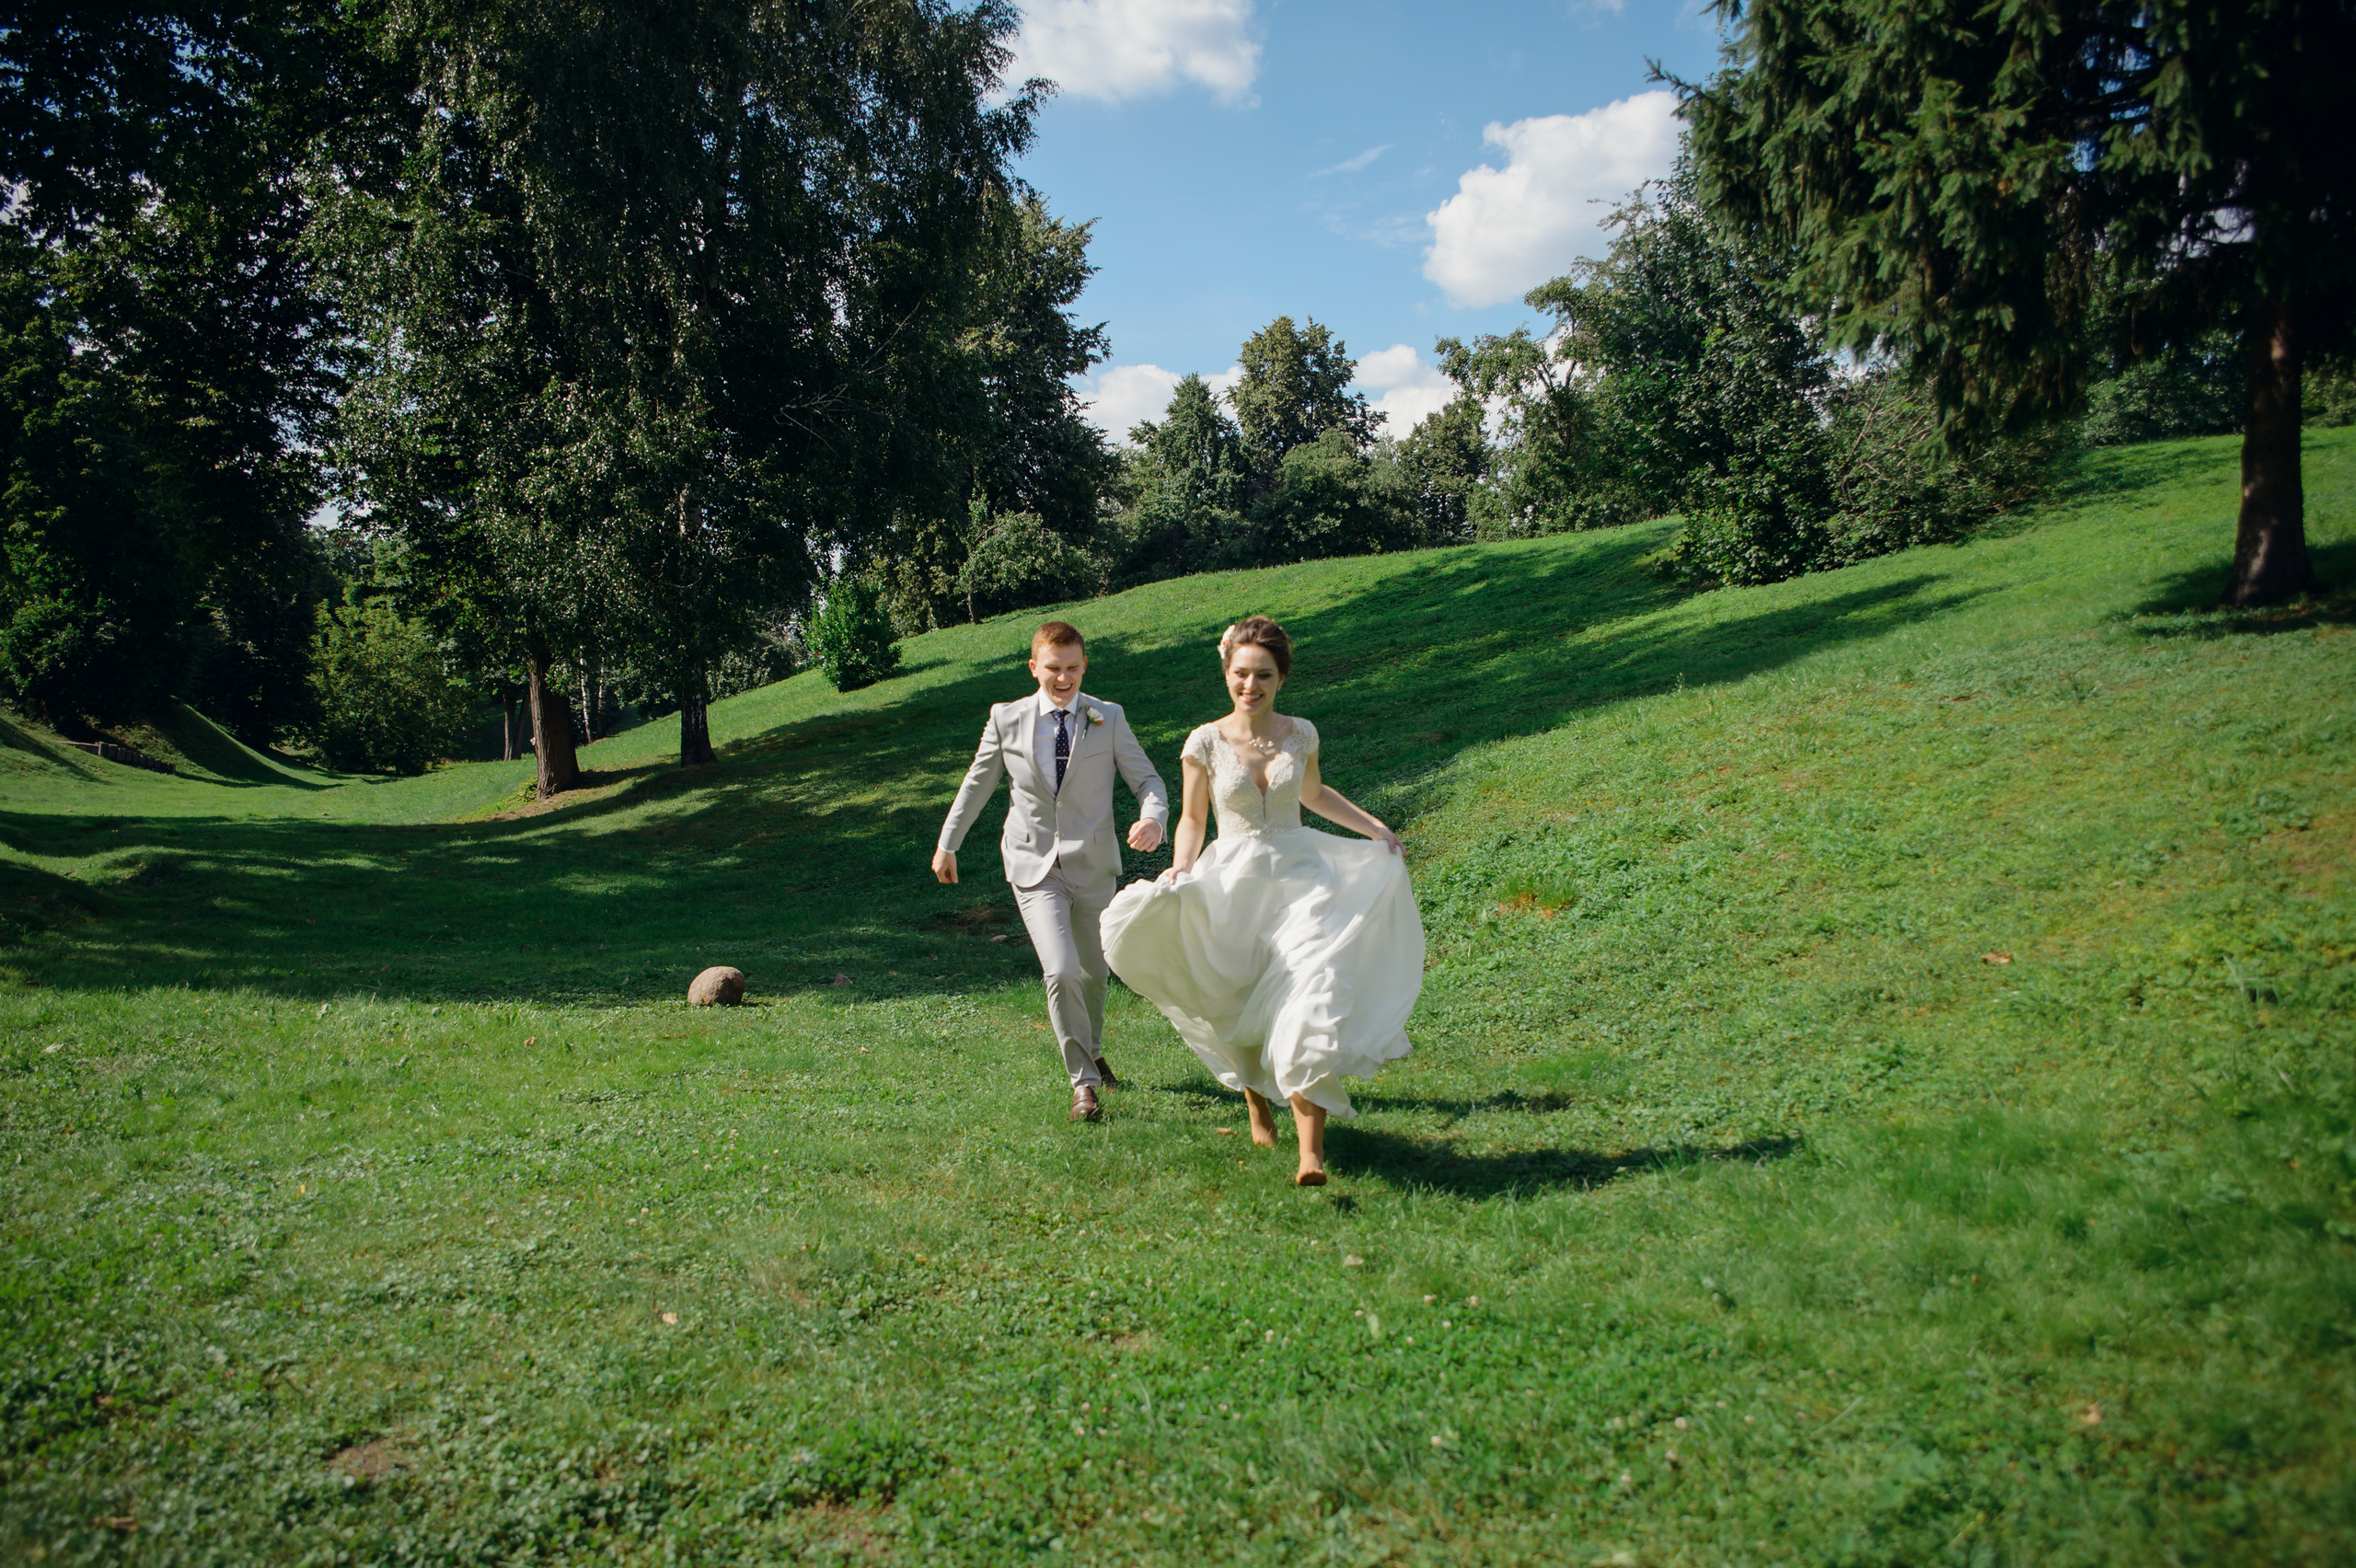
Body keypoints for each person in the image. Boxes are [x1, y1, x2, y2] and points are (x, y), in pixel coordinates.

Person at [1101, 616, 1423, 1184]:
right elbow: (1195, 818)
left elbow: (1315, 793)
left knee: (1312, 994)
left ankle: (1310, 1154)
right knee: (1240, 997)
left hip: (1306, 883)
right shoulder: (1203, 740)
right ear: (1227, 672)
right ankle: (1255, 1096)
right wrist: (1179, 868)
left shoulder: (1302, 733)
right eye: (1241, 674)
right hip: (1234, 883)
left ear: (1281, 679)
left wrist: (1374, 828)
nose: (1250, 685)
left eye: (1263, 676)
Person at [934, 621, 1169, 1123]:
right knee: (1060, 970)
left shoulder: (1108, 716)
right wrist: (948, 843)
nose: (1063, 678)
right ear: (1034, 667)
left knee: (1093, 973)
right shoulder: (1007, 718)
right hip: (1033, 865)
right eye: (1053, 668)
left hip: (1095, 863)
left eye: (1072, 668)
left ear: (1084, 666)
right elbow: (977, 784)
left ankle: (1094, 1047)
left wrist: (1152, 817)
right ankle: (1083, 1084)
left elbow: (1147, 779)